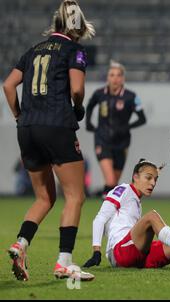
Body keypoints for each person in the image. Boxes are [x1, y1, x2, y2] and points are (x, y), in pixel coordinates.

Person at [3, 0, 95, 281]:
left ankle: (20, 244)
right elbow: (77, 89)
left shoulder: (33, 50)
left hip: (27, 128)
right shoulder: (74, 50)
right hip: (56, 125)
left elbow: (8, 85)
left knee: (44, 197)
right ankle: (63, 263)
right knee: (75, 195)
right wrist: (78, 107)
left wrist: (20, 115)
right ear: (77, 29)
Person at [85, 60, 146, 198]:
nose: (115, 78)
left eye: (118, 75)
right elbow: (89, 106)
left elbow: (142, 118)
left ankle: (109, 213)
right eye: (111, 75)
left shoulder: (131, 97)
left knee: (113, 186)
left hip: (122, 143)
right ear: (107, 77)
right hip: (102, 140)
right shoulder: (99, 94)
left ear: (123, 78)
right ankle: (104, 216)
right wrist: (88, 123)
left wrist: (127, 127)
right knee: (111, 180)